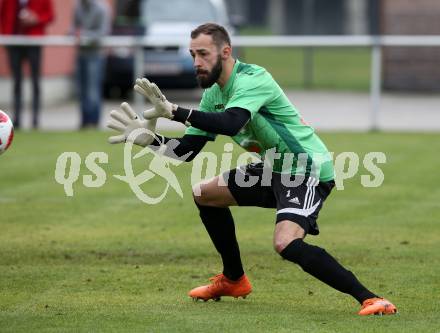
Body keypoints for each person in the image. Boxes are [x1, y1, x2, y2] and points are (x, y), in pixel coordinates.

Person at [106, 23, 397, 316]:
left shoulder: (253, 79)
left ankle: (372, 299)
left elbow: (231, 122)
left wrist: (175, 112)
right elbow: (186, 151)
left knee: (286, 243)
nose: (196, 62)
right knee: (204, 193)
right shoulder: (213, 95)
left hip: (305, 167)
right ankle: (234, 280)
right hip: (275, 167)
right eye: (192, 54)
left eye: (203, 54)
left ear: (226, 52)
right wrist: (149, 140)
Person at [0, 0, 54, 129]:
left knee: (35, 81)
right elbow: (3, 15)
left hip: (33, 41)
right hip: (14, 41)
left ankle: (35, 119)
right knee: (17, 82)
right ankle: (17, 119)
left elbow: (50, 15)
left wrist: (36, 19)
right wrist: (5, 37)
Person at [71, 0, 110, 129]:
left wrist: (83, 35)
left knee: (92, 90)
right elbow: (74, 27)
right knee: (81, 89)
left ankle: (94, 122)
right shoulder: (77, 6)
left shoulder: (102, 8)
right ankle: (84, 122)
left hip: (95, 54)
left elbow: (103, 32)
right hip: (81, 54)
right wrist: (72, 33)